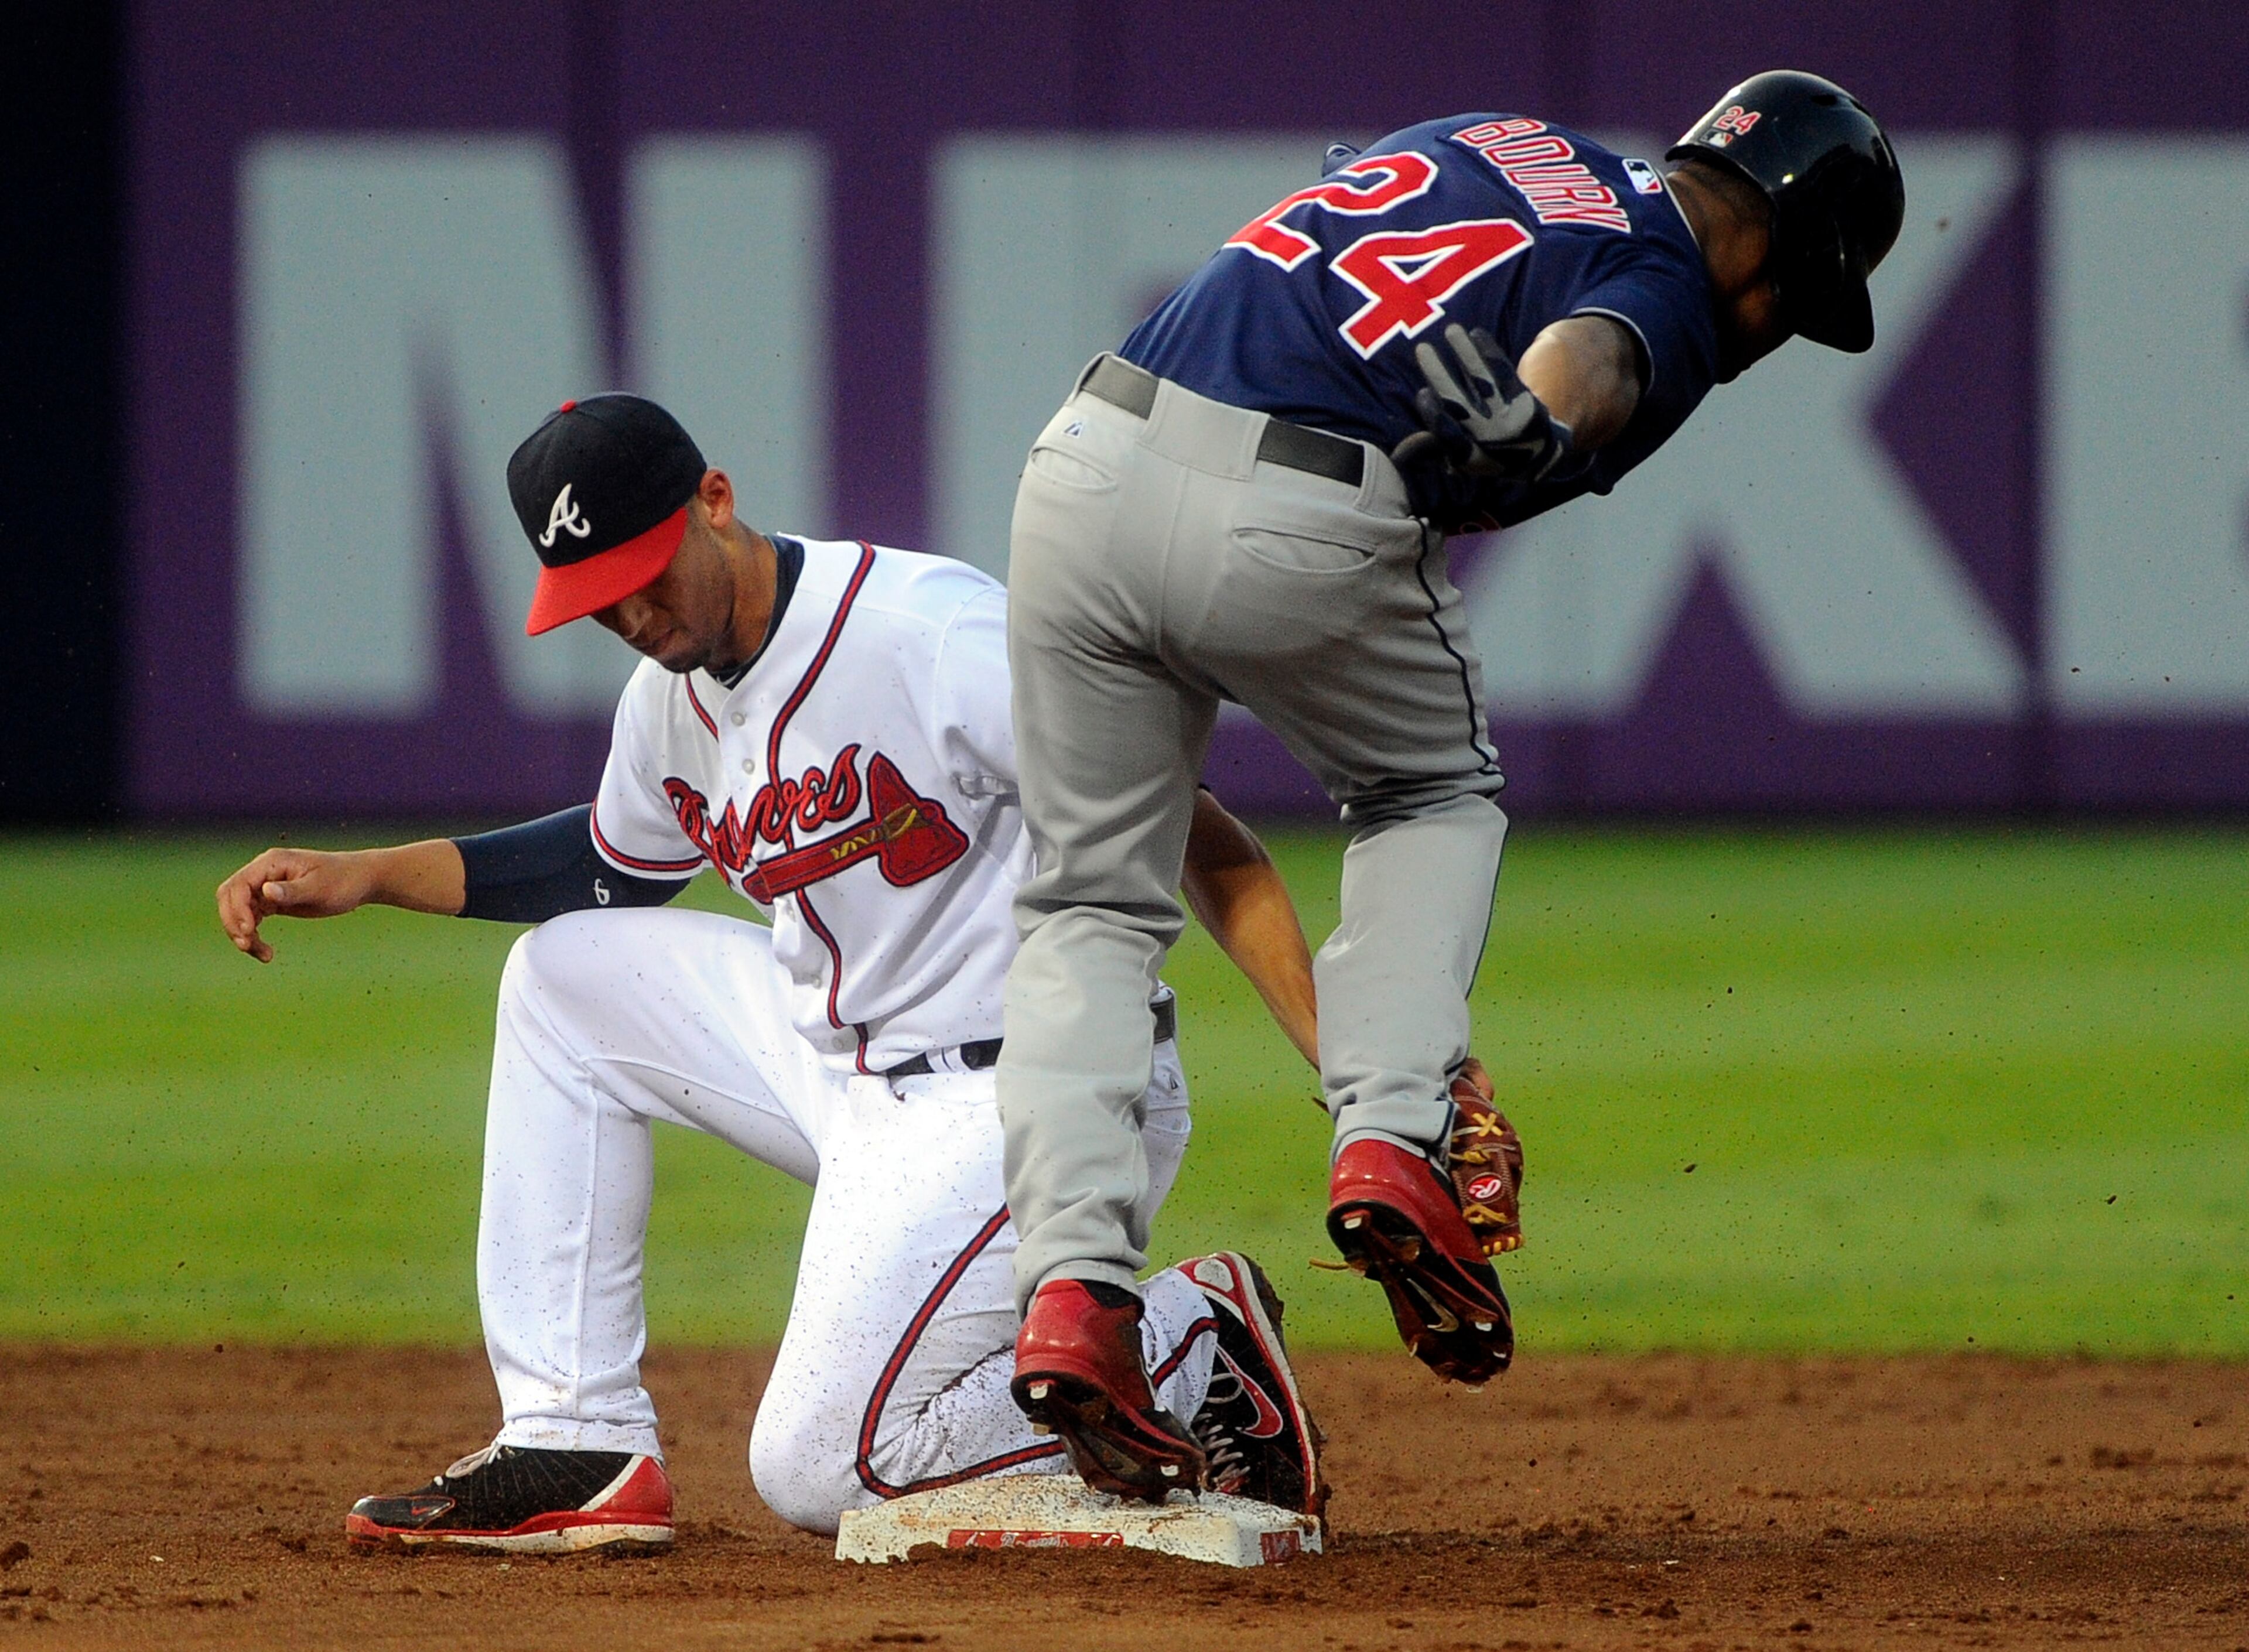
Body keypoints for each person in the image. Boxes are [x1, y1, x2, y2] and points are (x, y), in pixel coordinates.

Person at [996, 72, 1906, 1494]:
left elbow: (1351, 203)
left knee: (1087, 913)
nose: (1785, 329)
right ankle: (1391, 1137)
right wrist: (1535, 422)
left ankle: (1071, 1295)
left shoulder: (1503, 138)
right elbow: (1595, 352)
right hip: (1294, 502)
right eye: (1804, 297)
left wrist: (1512, 401)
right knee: (1431, 798)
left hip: (1085, 465)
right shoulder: (1670, 273)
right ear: (1781, 244)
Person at [215, 393, 1328, 1549]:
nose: (635, 615)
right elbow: (607, 868)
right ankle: (576, 1436)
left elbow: (1206, 840)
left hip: (1030, 1093)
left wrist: (1357, 1076)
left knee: (815, 1468)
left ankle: (1192, 1336)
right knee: (561, 983)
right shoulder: (667, 707)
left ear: (717, 502)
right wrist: (370, 872)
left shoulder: (931, 637)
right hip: (846, 1073)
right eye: (599, 600)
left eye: (647, 573)